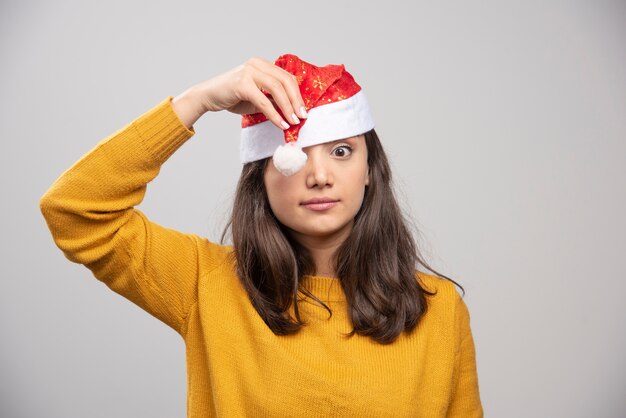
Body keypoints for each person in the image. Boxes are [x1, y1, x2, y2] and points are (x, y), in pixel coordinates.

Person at [39, 53, 483, 417]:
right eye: (293, 156)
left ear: (369, 171)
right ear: (261, 179)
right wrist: (198, 101)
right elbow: (74, 209)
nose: (320, 176)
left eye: (342, 151)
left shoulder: (439, 310)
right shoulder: (206, 284)